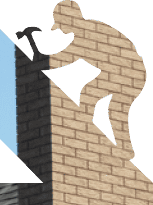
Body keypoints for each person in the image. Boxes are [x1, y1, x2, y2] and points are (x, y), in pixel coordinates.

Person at [50, 0, 146, 160]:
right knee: (108, 105)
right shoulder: (86, 29)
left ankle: (96, 142)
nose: (60, 29)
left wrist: (42, 59)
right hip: (125, 72)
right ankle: (117, 147)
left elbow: (66, 57)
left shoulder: (88, 30)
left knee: (101, 102)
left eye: (61, 24)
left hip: (129, 72)